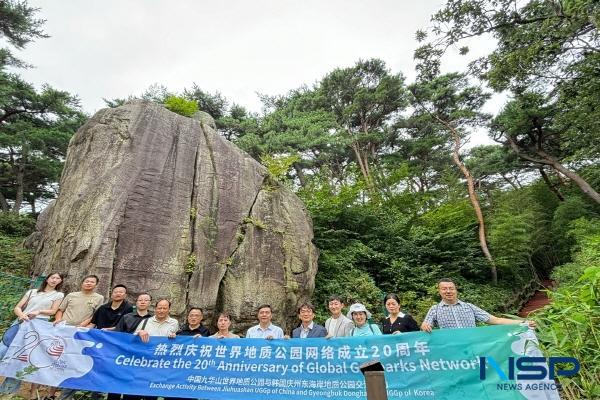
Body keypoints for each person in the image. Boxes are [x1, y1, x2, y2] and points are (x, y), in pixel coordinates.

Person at [0, 272, 64, 399]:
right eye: (53, 277)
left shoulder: (58, 295)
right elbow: (18, 307)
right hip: (21, 322)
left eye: (58, 278)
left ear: (60, 281)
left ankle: (7, 392)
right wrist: (22, 315)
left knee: (21, 357)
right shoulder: (32, 292)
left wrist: (39, 311)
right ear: (47, 279)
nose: (54, 280)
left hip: (38, 326)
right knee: (3, 349)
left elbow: (53, 311)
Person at [421, 278, 537, 332]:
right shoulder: (434, 309)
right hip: (451, 350)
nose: (448, 291)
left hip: (474, 346)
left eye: (451, 288)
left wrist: (523, 322)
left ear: (456, 290)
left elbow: (496, 320)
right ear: (439, 291)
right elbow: (425, 326)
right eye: (444, 289)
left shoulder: (469, 307)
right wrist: (424, 326)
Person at [55, 275, 104, 400]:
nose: (89, 283)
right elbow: (60, 309)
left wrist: (83, 325)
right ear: (82, 282)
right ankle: (54, 384)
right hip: (64, 328)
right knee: (59, 354)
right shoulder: (71, 295)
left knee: (74, 356)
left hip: (82, 331)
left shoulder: (99, 298)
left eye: (92, 282)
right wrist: (59, 320)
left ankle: (67, 384)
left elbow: (95, 315)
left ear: (96, 284)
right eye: (87, 281)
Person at [107, 294, 153, 400]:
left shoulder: (153, 320)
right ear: (136, 302)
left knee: (133, 388)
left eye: (146, 300)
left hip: (142, 359)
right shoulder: (126, 317)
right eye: (140, 300)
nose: (142, 302)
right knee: (115, 387)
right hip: (124, 356)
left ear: (150, 303)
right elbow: (117, 335)